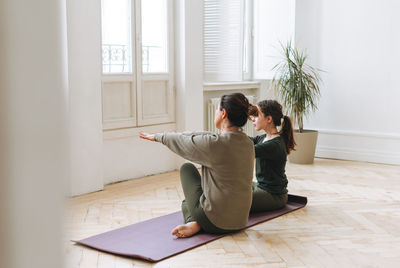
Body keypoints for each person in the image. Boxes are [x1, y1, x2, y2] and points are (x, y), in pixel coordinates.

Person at [139, 93, 255, 238]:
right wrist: (177, 134)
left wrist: (158, 137)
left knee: (187, 173)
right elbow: (202, 136)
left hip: (216, 222)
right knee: (189, 201)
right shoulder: (248, 143)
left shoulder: (214, 144)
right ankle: (197, 221)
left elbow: (185, 142)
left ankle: (195, 222)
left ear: (223, 113)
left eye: (217, 109)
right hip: (240, 220)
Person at [248, 100, 296, 213]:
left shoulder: (274, 145)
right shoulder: (263, 138)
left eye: (256, 115)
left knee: (233, 199)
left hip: (273, 195)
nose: (253, 119)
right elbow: (246, 141)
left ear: (269, 119)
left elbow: (247, 150)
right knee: (233, 186)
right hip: (261, 187)